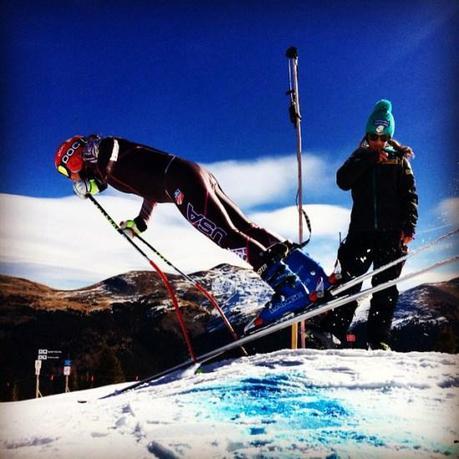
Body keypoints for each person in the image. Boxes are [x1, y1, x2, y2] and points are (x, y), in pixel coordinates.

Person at [54, 135, 331, 329]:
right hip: (189, 174)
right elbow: (148, 188)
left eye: (70, 173)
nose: (74, 181)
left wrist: (92, 180)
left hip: (181, 183)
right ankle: (307, 271)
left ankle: (289, 287)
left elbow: (110, 151)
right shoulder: (111, 166)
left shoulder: (102, 154)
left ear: (75, 160)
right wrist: (141, 221)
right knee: (244, 228)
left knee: (227, 236)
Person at [317, 99, 418, 350]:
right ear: (367, 135)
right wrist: (369, 160)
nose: (378, 142)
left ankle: (378, 340)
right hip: (360, 233)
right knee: (349, 283)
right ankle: (333, 333)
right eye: (373, 136)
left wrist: (409, 227)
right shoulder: (359, 156)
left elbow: (410, 196)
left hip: (391, 234)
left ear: (390, 137)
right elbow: (343, 180)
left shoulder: (400, 162)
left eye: (383, 138)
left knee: (385, 288)